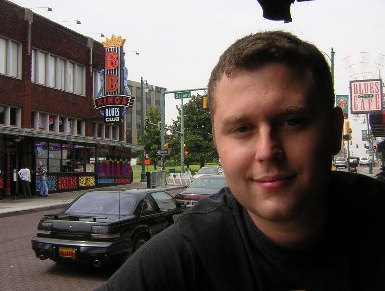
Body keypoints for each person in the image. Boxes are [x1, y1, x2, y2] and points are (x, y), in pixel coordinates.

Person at [95, 31, 385, 290]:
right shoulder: (185, 254)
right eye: (242, 129)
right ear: (218, 143)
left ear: (334, 131)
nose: (266, 151)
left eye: (293, 121)